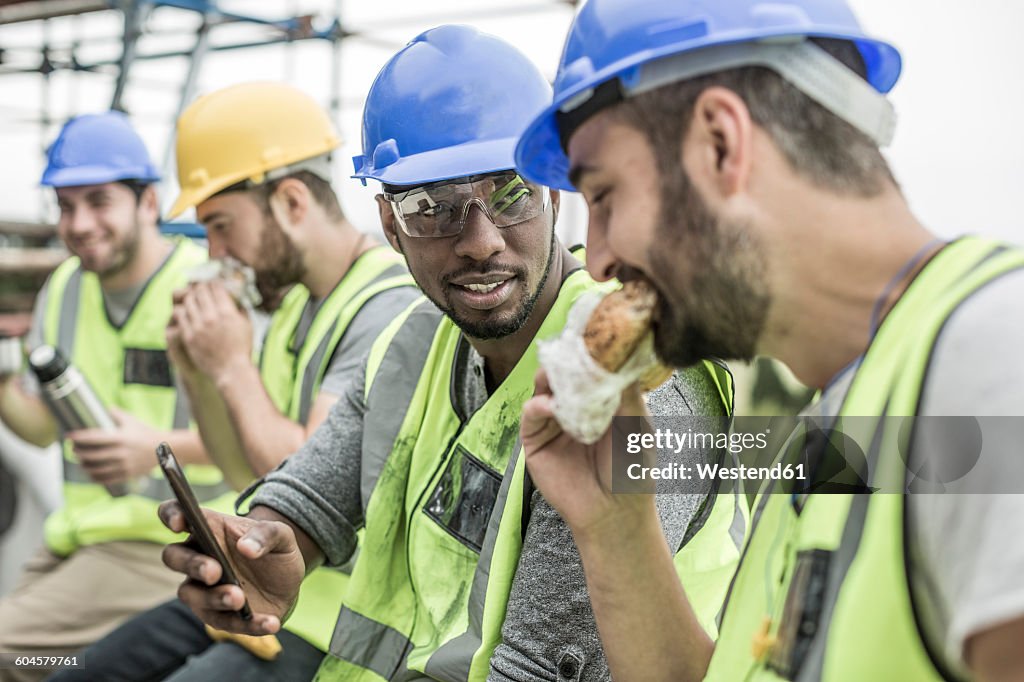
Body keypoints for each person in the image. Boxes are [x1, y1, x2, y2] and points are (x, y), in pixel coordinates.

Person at [156, 25, 744, 682]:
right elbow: (306, 499)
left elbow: (539, 667)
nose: (480, 240)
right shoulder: (411, 348)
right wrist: (268, 543)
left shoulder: (639, 386)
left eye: (510, 192)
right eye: (433, 207)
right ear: (389, 226)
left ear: (551, 195)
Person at [513, 0, 1024, 680]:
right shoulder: (836, 416)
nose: (598, 258)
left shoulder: (994, 359)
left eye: (603, 196)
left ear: (721, 142)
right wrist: (616, 527)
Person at [49, 83, 419, 681]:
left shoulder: (386, 307)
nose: (215, 251)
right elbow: (241, 473)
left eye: (221, 226)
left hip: (331, 621)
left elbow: (310, 489)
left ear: (293, 202)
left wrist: (231, 366)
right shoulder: (297, 306)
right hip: (260, 594)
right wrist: (196, 369)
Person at [0, 111, 235, 682]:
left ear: (148, 204)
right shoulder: (63, 290)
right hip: (79, 537)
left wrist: (154, 447)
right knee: (29, 661)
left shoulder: (208, 287)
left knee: (12, 656)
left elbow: (274, 437)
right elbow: (40, 429)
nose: (78, 223)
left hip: (172, 538)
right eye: (65, 205)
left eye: (99, 201)